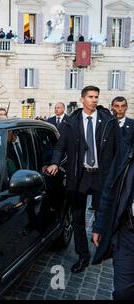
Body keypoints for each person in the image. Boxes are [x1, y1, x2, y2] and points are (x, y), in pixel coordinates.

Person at [45, 86, 121, 273]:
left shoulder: (108, 122)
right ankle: (83, 256)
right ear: (82, 99)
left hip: (101, 176)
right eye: (90, 97)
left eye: (96, 97)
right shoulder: (70, 123)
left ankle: (103, 247)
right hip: (79, 176)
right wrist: (55, 163)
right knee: (78, 218)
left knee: (104, 213)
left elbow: (119, 149)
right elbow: (59, 147)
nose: (94, 100)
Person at [92, 136, 134, 299]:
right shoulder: (127, 146)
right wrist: (100, 225)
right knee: (123, 293)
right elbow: (110, 188)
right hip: (126, 235)